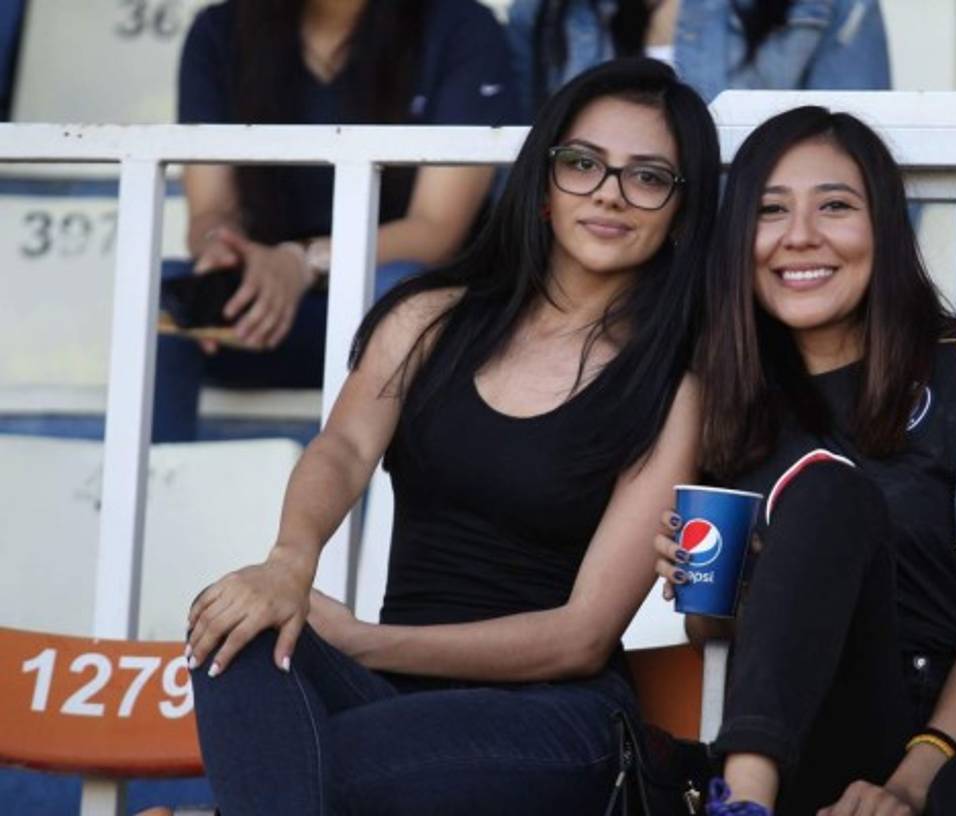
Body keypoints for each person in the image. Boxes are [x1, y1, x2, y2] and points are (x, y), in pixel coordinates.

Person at [184, 58, 721, 814]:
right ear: (542, 185)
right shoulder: (429, 319)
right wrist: (287, 566)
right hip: (389, 694)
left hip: (554, 717)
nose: (609, 192)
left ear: (679, 213)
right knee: (233, 622)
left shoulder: (672, 384)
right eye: (583, 164)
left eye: (649, 176)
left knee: (307, 766)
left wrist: (366, 641)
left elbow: (581, 636)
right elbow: (341, 449)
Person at [653, 106, 956, 815]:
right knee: (826, 496)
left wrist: (910, 782)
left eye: (835, 206)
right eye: (770, 211)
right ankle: (740, 802)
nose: (800, 235)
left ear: (886, 229)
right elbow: (713, 632)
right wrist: (712, 581)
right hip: (832, 725)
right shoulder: (727, 396)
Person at [154, 0, 520, 441]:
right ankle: (156, 497)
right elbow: (211, 209)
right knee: (164, 297)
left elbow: (436, 231)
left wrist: (301, 262)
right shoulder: (219, 31)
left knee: (400, 294)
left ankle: (365, 508)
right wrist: (222, 248)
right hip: (273, 314)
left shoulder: (460, 26)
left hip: (413, 318)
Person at [507, 0, 892, 114]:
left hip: (751, 281)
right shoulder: (543, 12)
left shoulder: (829, 6)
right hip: (604, 286)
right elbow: (518, 173)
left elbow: (869, 168)